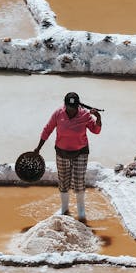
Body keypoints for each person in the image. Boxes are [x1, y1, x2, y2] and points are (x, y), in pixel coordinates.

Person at [35, 92, 102, 221]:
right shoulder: (58, 113)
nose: (71, 110)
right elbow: (47, 129)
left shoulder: (85, 114)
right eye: (69, 108)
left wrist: (98, 118)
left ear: (78, 106)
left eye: (74, 108)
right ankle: (64, 208)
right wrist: (38, 149)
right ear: (65, 106)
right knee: (63, 180)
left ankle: (81, 211)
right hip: (62, 151)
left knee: (79, 180)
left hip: (80, 151)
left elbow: (96, 130)